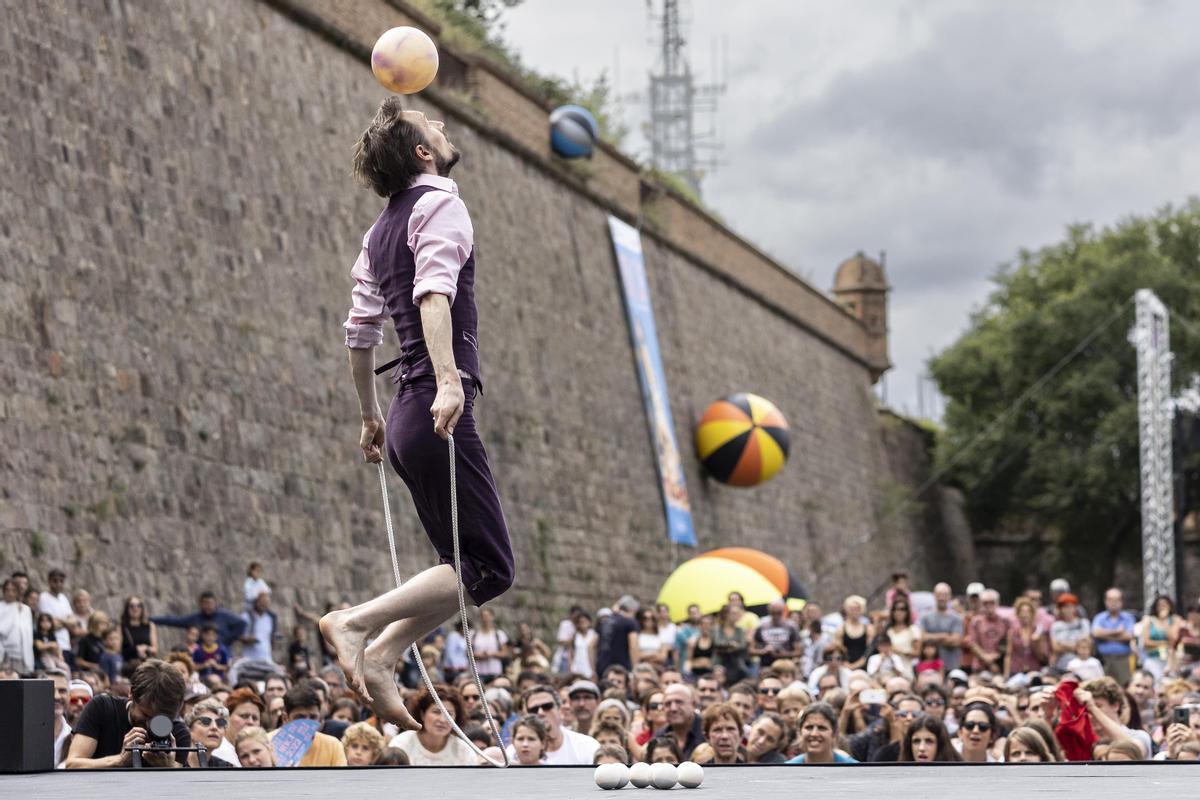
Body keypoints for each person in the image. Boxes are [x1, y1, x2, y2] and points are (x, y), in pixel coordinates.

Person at [319, 97, 515, 727]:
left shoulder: (378, 233)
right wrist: (450, 383)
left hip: (406, 414)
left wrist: (370, 416)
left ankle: (383, 655)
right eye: (433, 126)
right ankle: (354, 623)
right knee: (490, 566)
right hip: (434, 408)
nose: (444, 126)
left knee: (462, 570)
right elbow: (434, 295)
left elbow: (359, 332)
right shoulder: (441, 202)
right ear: (423, 153)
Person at [65, 658, 191, 768]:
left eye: (161, 720)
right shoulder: (103, 708)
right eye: (146, 715)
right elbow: (73, 764)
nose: (149, 725)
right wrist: (120, 760)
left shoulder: (177, 732)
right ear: (131, 694)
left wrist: (168, 767)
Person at [506, 684, 598, 764]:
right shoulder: (514, 751)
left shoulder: (586, 746)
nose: (540, 713)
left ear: (559, 709)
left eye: (547, 706)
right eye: (534, 709)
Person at [271, 684, 346, 767]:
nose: (307, 724)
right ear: (285, 719)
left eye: (313, 717)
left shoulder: (333, 746)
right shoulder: (268, 745)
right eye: (300, 718)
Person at [154, 592, 248, 650]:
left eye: (210, 603)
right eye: (205, 603)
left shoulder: (224, 615)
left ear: (215, 603)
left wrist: (228, 639)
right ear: (200, 604)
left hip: (221, 652)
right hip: (201, 655)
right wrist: (151, 620)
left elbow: (242, 624)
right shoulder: (195, 618)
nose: (208, 606)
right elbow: (173, 620)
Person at [786, 702, 857, 763]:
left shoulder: (854, 769)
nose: (814, 734)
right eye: (809, 727)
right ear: (799, 733)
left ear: (834, 734)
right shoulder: (788, 769)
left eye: (822, 728)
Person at [1092, 588, 1136, 685]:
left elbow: (1128, 636)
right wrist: (1117, 632)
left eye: (1116, 600)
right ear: (1105, 601)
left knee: (1124, 687)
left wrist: (1105, 636)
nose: (1113, 603)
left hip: (1122, 660)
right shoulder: (1099, 617)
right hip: (1103, 660)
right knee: (1102, 688)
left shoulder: (1128, 618)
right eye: (1110, 600)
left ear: (1121, 602)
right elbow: (1096, 633)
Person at [966, 589, 1012, 675]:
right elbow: (972, 643)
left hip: (999, 665)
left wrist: (996, 656)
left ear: (997, 603)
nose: (988, 605)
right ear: (981, 604)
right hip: (980, 666)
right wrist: (986, 658)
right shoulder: (976, 621)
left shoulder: (1005, 621)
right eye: (985, 603)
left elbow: (1007, 642)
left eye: (992, 602)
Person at [36, 569, 75, 666]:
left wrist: (60, 621)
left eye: (61, 581)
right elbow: (49, 624)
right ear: (49, 581)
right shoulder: (44, 597)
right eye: (55, 581)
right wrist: (66, 623)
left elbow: (73, 622)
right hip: (51, 647)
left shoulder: (64, 598)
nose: (58, 584)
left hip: (66, 645)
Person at [656, 683, 704, 760]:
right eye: (668, 704)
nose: (673, 708)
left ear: (693, 705)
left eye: (679, 702)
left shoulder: (707, 732)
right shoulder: (659, 736)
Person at [751, 600, 801, 669]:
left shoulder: (791, 626)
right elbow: (751, 650)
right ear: (769, 611)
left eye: (778, 612)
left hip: (785, 666)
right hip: (766, 666)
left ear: (783, 611)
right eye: (773, 612)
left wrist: (785, 654)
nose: (776, 615)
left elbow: (799, 651)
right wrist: (764, 651)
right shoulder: (762, 626)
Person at [186, 698, 235, 767]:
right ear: (189, 731)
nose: (214, 727)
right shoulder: (174, 763)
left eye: (220, 723)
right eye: (205, 722)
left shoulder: (225, 768)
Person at [222, 687, 265, 766]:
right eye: (244, 716)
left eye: (255, 718)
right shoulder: (217, 753)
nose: (250, 722)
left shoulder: (264, 753)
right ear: (227, 718)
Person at [1141, 595, 1180, 680]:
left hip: (1170, 660)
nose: (1162, 607)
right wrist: (1164, 643)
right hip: (1153, 658)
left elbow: (1173, 639)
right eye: (1159, 605)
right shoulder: (1149, 620)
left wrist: (1165, 621)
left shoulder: (1175, 619)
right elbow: (1146, 642)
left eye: (1165, 605)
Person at [0, 578, 34, 673]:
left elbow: (28, 632)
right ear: (4, 591)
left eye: (13, 590)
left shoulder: (25, 609)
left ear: (17, 592)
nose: (10, 593)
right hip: (3, 652)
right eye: (7, 590)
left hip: (20, 654)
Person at [1050, 593, 1090, 673]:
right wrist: (1076, 645)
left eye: (1070, 606)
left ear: (1075, 608)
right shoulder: (1055, 626)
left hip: (1081, 665)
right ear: (1060, 609)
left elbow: (1086, 645)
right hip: (1061, 666)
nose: (1068, 610)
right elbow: (1056, 648)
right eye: (1065, 607)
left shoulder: (1083, 623)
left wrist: (1063, 645)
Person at [1005, 596, 1045, 677]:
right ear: (1018, 614)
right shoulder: (1012, 632)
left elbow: (1041, 658)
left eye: (1027, 611)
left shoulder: (1037, 632)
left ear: (1032, 614)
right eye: (1022, 611)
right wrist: (1006, 675)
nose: (1024, 614)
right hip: (1016, 671)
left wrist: (1036, 643)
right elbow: (1008, 655)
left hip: (1033, 671)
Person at [833, 596, 873, 671]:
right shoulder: (840, 629)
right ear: (847, 610)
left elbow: (869, 651)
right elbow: (838, 649)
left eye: (857, 609)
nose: (855, 611)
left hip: (864, 665)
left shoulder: (869, 628)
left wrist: (856, 665)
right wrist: (846, 664)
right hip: (845, 665)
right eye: (852, 609)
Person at [713, 604, 749, 684]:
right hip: (720, 662)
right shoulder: (717, 628)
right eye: (734, 613)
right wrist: (731, 644)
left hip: (736, 663)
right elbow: (717, 642)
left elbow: (742, 645)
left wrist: (727, 646)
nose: (737, 616)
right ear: (726, 614)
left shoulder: (740, 630)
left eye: (737, 613)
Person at [120, 595, 158, 665]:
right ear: (127, 608)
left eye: (139, 605)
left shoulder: (150, 625)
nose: (135, 608)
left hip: (147, 664)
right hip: (129, 666)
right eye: (131, 606)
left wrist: (145, 648)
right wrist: (136, 649)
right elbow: (118, 650)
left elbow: (155, 649)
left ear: (142, 608)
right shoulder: (121, 627)